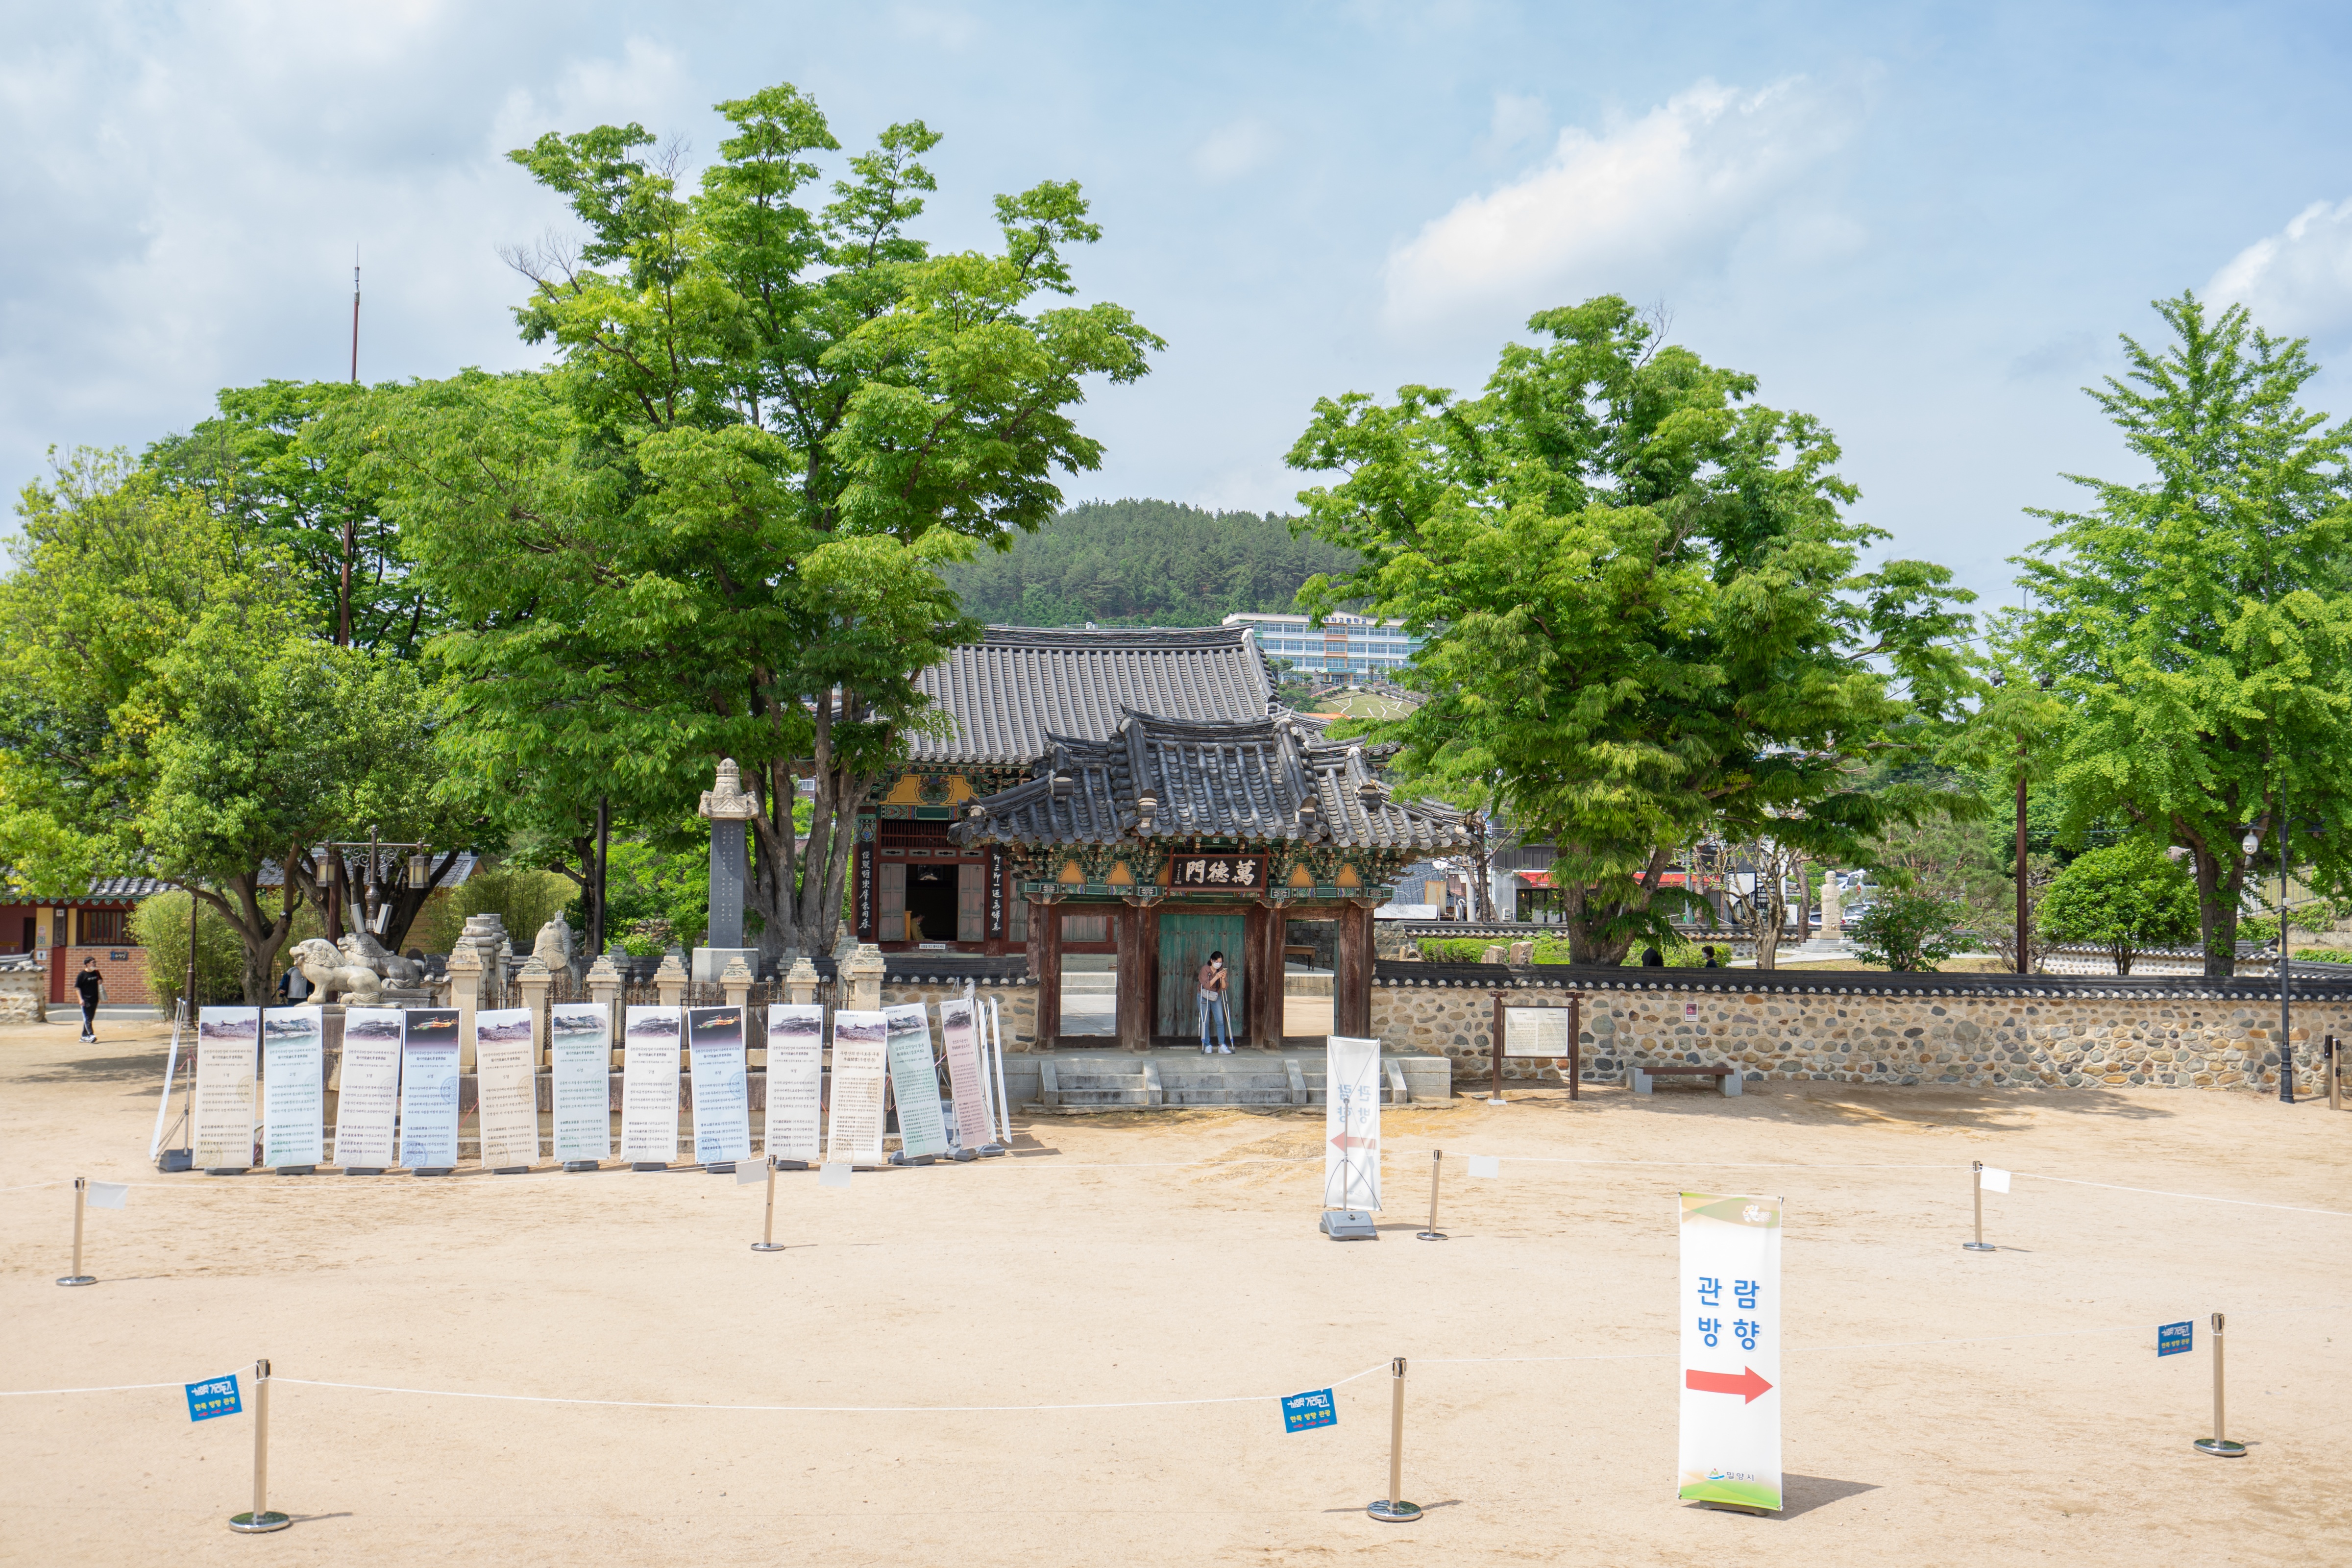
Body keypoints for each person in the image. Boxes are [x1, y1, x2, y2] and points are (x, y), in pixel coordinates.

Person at [1197, 951, 1233, 1054]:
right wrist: (1216, 977)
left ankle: (1221, 1045)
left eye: (1220, 962)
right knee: (1205, 1021)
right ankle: (1207, 1045)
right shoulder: (1205, 969)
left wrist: (1222, 979)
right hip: (1204, 995)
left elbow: (1224, 988)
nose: (1219, 964)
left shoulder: (1221, 970)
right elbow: (1207, 986)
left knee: (1220, 1020)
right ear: (1212, 961)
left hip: (1216, 995)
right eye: (1217, 962)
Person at [73, 957, 104, 1043]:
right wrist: (80, 999)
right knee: (87, 1018)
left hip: (95, 999)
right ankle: (91, 1035)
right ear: (87, 964)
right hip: (86, 1000)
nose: (95, 964)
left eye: (95, 962)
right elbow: (77, 988)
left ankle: (84, 1036)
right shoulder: (82, 975)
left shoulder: (96, 972)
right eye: (93, 962)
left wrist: (100, 982)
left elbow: (100, 981)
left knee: (90, 1018)